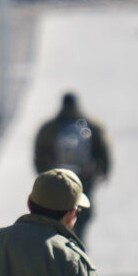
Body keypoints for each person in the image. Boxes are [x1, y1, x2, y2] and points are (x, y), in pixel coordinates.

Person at [31, 92, 112, 240]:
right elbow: (103, 149)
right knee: (81, 212)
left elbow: (40, 153)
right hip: (84, 178)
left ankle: (61, 243)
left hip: (57, 180)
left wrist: (43, 175)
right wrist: (104, 171)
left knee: (56, 212)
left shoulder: (49, 127)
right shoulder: (92, 126)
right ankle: (77, 243)